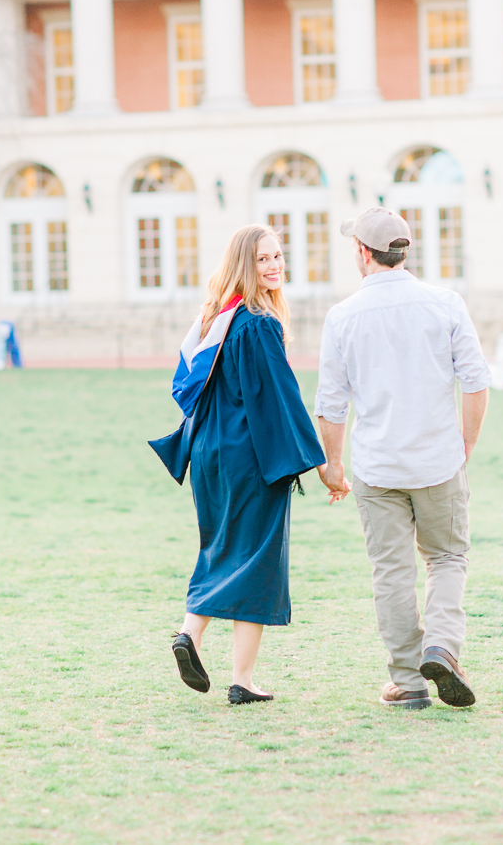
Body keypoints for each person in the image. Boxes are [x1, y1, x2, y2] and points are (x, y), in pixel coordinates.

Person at [315, 208, 491, 710]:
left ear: (363, 253)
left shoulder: (343, 316)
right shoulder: (446, 303)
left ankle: (408, 681)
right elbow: (476, 382)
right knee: (447, 557)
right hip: (439, 459)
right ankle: (441, 646)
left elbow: (330, 404)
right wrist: (466, 445)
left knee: (391, 572)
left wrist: (333, 464)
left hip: (377, 466)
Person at [149, 225, 325, 706]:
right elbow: (280, 399)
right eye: (262, 259)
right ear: (244, 265)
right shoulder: (258, 323)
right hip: (250, 457)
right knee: (259, 558)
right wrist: (319, 462)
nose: (273, 266)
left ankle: (192, 634)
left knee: (222, 547)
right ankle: (241, 678)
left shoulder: (215, 319)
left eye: (277, 257)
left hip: (208, 454)